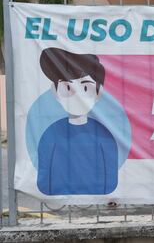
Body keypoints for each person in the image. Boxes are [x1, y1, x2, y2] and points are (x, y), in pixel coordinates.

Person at [37, 47, 118, 195]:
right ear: (55, 92)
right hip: (58, 197)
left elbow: (111, 179)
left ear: (99, 92)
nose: (77, 96)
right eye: (67, 87)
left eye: (86, 88)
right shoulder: (50, 134)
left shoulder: (104, 135)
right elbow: (44, 178)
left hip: (98, 197)